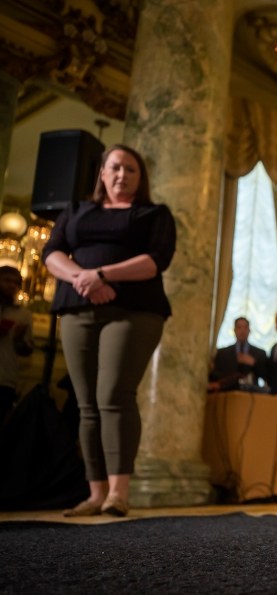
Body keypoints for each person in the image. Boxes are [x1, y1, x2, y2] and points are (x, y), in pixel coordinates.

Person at [42, 144, 176, 518]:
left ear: (140, 177)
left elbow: (155, 261)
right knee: (86, 404)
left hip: (134, 312)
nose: (122, 175)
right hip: (76, 308)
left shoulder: (153, 214)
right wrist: (81, 278)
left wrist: (100, 274)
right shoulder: (76, 211)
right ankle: (95, 493)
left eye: (131, 170)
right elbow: (52, 252)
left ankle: (119, 493)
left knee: (114, 395)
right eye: (115, 168)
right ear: (102, 173)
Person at [0, 265, 34, 426]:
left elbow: (26, 351)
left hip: (6, 379)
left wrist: (19, 340)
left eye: (16, 283)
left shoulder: (23, 314)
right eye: (7, 280)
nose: (12, 285)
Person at [208, 316, 268, 392]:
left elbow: (267, 376)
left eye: (245, 328)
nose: (242, 331)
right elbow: (215, 376)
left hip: (252, 395)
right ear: (234, 330)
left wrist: (254, 363)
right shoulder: (223, 353)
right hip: (227, 394)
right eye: (239, 327)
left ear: (249, 330)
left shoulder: (260, 353)